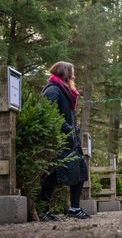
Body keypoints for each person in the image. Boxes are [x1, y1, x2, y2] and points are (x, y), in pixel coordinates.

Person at [39, 61, 90, 221]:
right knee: (52, 175)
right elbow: (50, 114)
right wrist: (68, 128)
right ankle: (43, 210)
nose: (74, 76)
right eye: (72, 72)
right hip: (59, 142)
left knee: (81, 171)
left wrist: (73, 131)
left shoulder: (64, 91)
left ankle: (74, 208)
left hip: (70, 141)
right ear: (65, 74)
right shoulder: (53, 90)